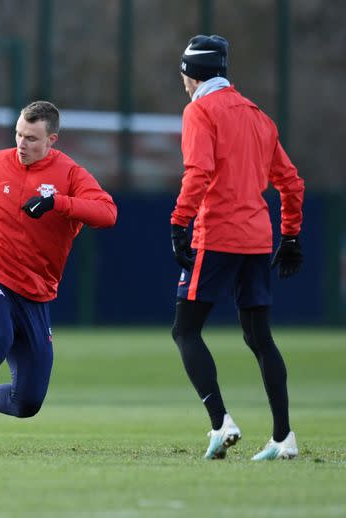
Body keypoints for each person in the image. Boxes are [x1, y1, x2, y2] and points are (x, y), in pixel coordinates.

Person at [0, 101, 117, 453]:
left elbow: (107, 213)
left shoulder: (69, 174)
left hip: (35, 293)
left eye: (32, 138)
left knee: (27, 402)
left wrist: (58, 203)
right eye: (18, 134)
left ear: (52, 139)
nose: (22, 143)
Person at [170, 35, 305, 461]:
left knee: (185, 329)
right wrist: (291, 236)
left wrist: (178, 221)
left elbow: (199, 171)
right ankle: (284, 438)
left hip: (218, 234)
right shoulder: (258, 116)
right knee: (259, 337)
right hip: (256, 238)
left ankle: (220, 422)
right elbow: (291, 182)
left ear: (191, 75)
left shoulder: (199, 111)